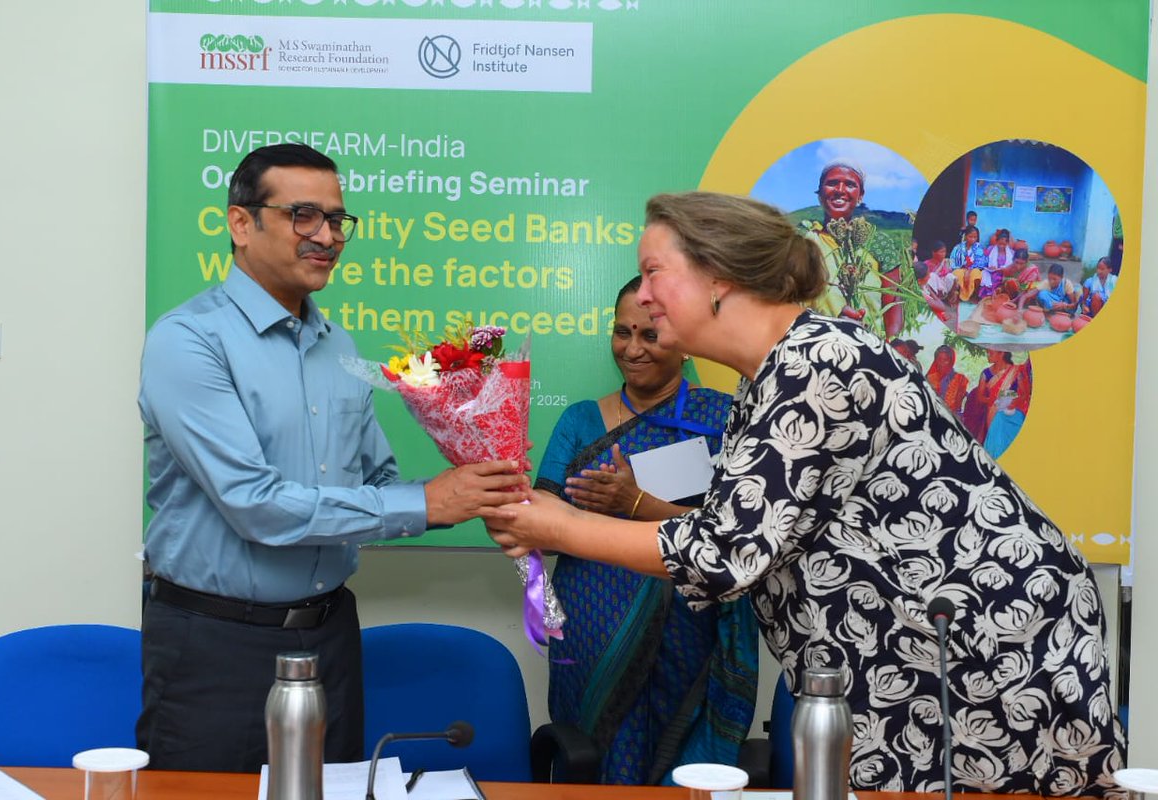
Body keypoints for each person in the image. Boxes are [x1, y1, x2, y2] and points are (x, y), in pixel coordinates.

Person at [484, 191, 1124, 797]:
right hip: (909, 655)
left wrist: (558, 527)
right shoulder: (771, 375)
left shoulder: (815, 365)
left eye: (653, 272)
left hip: (987, 654)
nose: (642, 297)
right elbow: (749, 534)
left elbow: (723, 553)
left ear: (718, 278)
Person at [136, 144, 527, 772]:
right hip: (215, 643)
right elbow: (255, 507)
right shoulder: (188, 341)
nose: (327, 236)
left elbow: (379, 483)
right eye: (303, 216)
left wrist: (476, 487)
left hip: (328, 637)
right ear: (241, 223)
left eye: (337, 219)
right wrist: (426, 503)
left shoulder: (336, 344)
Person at [534, 276, 759, 784]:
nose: (631, 349)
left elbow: (738, 538)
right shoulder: (580, 421)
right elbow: (544, 531)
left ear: (681, 343)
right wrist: (513, 513)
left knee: (675, 770)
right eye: (621, 332)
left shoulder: (720, 418)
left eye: (649, 336)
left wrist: (635, 502)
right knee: (592, 766)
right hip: (592, 635)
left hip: (685, 634)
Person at [801, 162, 903, 338]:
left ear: (860, 196)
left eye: (850, 184)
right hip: (817, 343)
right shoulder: (802, 241)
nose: (840, 190)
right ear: (820, 194)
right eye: (832, 183)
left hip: (872, 346)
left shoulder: (878, 243)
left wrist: (891, 345)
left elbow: (893, 303)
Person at [924, 344, 968, 416]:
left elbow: (958, 405)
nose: (942, 363)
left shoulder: (960, 379)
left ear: (951, 361)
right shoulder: (929, 378)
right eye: (939, 359)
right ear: (935, 360)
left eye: (945, 360)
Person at [949, 225, 986, 302]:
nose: (973, 239)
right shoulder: (958, 247)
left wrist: (969, 271)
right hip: (960, 269)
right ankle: (957, 295)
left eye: (975, 237)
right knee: (957, 274)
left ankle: (974, 296)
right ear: (965, 236)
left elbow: (981, 262)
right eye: (970, 236)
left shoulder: (979, 247)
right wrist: (964, 270)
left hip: (974, 269)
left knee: (976, 274)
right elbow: (953, 261)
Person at [981, 229, 1013, 298]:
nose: (1001, 245)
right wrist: (989, 267)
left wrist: (1005, 269)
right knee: (989, 277)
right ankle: (990, 295)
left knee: (1003, 280)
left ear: (1007, 243)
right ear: (997, 241)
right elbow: (984, 261)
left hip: (1005, 273)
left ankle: (998, 295)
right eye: (1000, 243)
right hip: (992, 272)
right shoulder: (990, 249)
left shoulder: (1011, 253)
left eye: (1004, 244)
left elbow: (1013, 266)